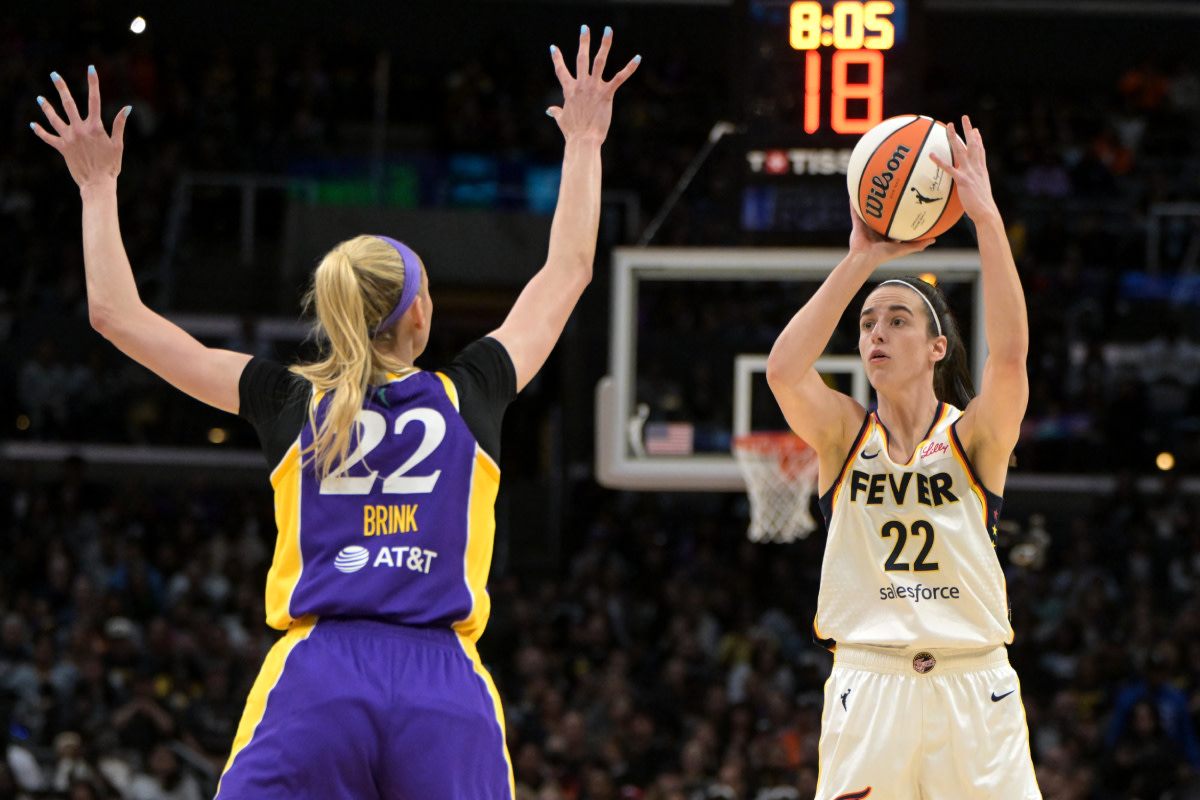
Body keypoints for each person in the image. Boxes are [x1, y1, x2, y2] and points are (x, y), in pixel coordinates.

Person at [33, 27, 639, 800]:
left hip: (320, 676)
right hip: (441, 683)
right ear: (421, 314)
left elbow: (118, 315)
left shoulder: (288, 400)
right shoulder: (472, 390)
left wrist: (95, 188)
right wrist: (584, 139)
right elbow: (569, 268)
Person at [766, 118, 1040, 799]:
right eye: (867, 324)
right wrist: (861, 260)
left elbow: (1009, 358)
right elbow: (782, 371)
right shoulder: (842, 437)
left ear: (937, 346)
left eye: (896, 320)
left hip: (973, 684)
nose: (877, 332)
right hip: (870, 681)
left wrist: (987, 219)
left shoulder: (975, 439)